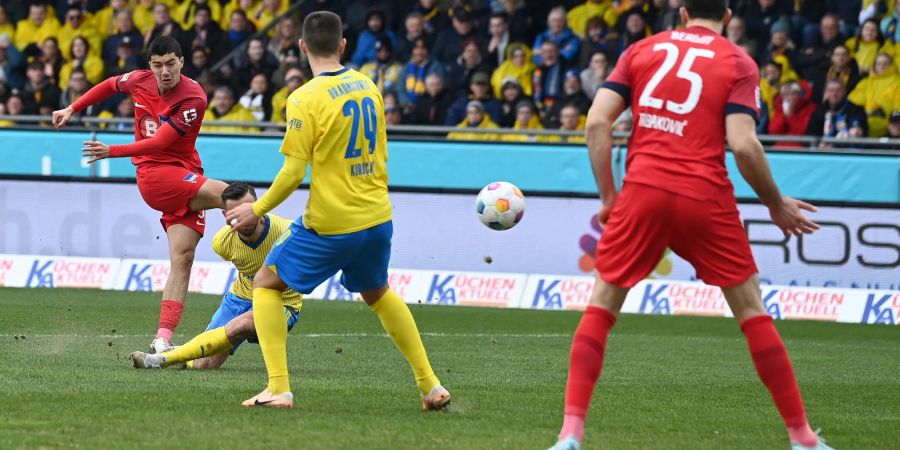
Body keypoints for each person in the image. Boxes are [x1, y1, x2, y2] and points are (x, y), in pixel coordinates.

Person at [546, 1, 831, 450]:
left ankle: (569, 435)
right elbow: (744, 145)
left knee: (601, 307)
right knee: (751, 310)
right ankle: (803, 438)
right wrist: (775, 204)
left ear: (680, 13)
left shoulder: (641, 50)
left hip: (642, 191)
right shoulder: (738, 62)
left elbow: (597, 122)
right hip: (704, 196)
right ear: (728, 16)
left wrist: (609, 198)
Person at [225, 11, 450, 410]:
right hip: (378, 216)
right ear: (343, 44)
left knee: (265, 282)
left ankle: (278, 388)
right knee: (378, 293)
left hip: (331, 223)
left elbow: (293, 173)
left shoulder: (304, 98)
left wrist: (254, 209)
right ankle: (430, 386)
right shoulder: (368, 86)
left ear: (302, 46)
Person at [51, 36, 229, 354]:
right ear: (150, 65)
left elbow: (161, 141)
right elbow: (109, 85)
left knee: (182, 259)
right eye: (158, 65)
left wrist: (112, 150)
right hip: (156, 177)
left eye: (170, 64)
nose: (164, 72)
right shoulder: (138, 80)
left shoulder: (194, 98)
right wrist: (73, 107)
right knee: (236, 196)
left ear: (182, 62)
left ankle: (162, 338)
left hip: (183, 173)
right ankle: (265, 268)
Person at [131, 183, 301, 370]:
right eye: (234, 213)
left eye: (247, 210)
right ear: (224, 215)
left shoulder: (288, 233)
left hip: (282, 304)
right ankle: (183, 353)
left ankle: (161, 360)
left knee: (247, 322)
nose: (242, 218)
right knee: (204, 364)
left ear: (259, 206)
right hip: (239, 298)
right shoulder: (222, 242)